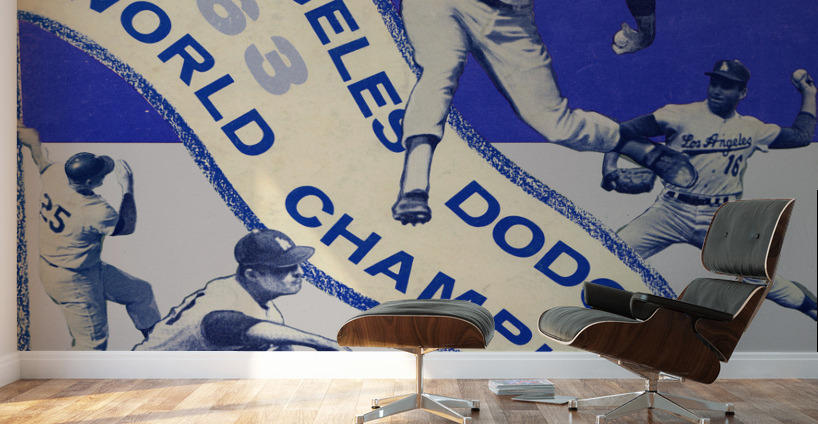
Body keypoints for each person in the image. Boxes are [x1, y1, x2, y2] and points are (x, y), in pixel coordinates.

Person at [392, 0, 690, 225]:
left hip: (505, 14)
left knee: (554, 123)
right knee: (439, 72)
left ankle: (640, 148)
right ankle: (414, 184)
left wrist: (645, 31)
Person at [601, 60, 818, 320]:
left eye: (727, 85)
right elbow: (622, 131)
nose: (717, 89)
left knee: (758, 279)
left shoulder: (752, 128)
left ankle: (811, 307)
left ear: (742, 93)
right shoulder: (678, 115)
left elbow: (801, 136)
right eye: (715, 82)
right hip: (670, 211)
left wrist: (809, 94)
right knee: (609, 254)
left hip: (718, 219)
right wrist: (610, 168)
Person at [18, 124, 161, 350]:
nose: (103, 176)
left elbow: (40, 160)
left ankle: (159, 344)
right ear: (88, 182)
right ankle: (83, 374)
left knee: (140, 292)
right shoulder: (94, 210)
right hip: (73, 281)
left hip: (80, 267)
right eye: (100, 175)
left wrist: (32, 141)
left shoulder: (57, 175)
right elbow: (126, 227)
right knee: (93, 345)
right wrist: (127, 186)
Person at [133, 229, 347, 351]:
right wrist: (320, 342)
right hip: (145, 377)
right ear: (252, 275)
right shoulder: (223, 296)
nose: (299, 272)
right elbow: (230, 325)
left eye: (297, 264)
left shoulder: (268, 311)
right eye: (284, 267)